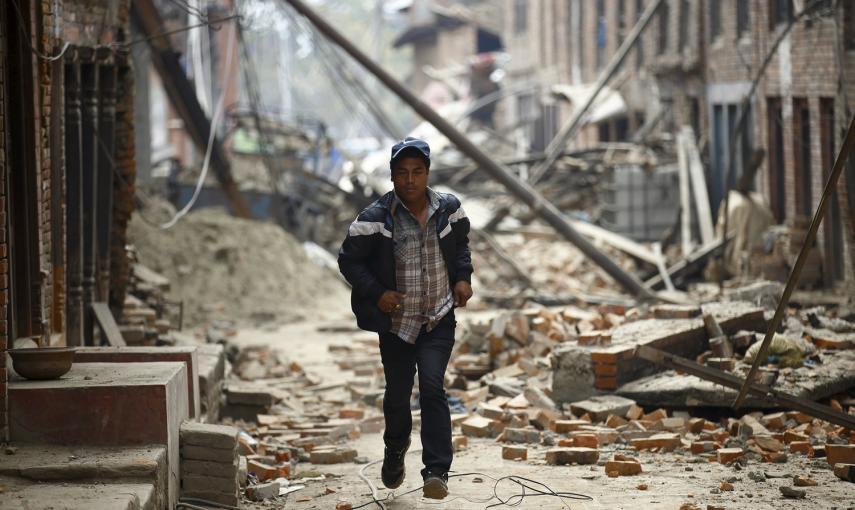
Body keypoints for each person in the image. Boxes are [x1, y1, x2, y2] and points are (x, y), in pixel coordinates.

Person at [338, 137, 473, 499]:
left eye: (417, 172)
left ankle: (437, 471)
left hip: (437, 317)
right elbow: (348, 261)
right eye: (402, 173)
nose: (410, 180)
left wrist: (463, 278)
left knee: (432, 386)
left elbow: (461, 245)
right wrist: (378, 293)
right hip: (397, 323)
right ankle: (395, 450)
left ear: (427, 174)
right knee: (398, 395)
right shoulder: (373, 220)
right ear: (393, 177)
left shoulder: (449, 209)